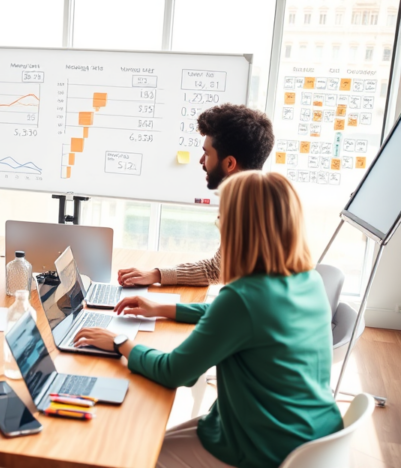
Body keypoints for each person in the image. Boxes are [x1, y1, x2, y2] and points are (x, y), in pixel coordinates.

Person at [74, 171, 342, 468]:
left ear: (239, 228)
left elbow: (176, 372)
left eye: (221, 218)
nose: (219, 225)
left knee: (131, 457)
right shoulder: (308, 281)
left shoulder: (242, 299)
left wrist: (119, 342)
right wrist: (163, 308)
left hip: (265, 449)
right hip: (315, 434)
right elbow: (246, 321)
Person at [117, 103, 275, 287]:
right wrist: (156, 275)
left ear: (230, 163)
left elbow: (221, 278)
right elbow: (217, 269)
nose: (201, 161)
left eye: (206, 153)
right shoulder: (256, 199)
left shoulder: (248, 213)